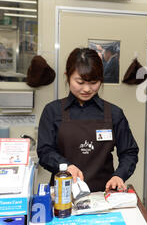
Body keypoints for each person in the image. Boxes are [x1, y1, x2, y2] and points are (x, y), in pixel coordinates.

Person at [37, 48, 138, 192]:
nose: (87, 89)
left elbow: (129, 152)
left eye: (93, 82)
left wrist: (119, 176)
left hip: (104, 194)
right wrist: (66, 166)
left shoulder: (114, 113)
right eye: (80, 82)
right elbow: (45, 151)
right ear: (67, 76)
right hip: (64, 195)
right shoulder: (52, 111)